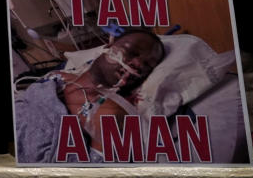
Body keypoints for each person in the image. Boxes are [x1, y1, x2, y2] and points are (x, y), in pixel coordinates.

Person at [14, 30, 166, 163]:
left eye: (146, 66)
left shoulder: (113, 113)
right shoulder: (56, 77)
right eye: (131, 52)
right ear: (108, 48)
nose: (138, 63)